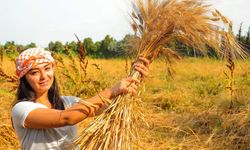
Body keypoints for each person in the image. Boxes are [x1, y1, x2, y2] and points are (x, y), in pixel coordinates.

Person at [11, 47, 150, 150]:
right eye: (34, 72)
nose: (43, 76)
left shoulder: (68, 102)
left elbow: (106, 107)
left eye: (47, 68)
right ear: (24, 78)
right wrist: (111, 91)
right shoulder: (22, 109)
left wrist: (133, 79)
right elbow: (66, 118)